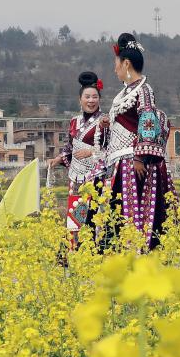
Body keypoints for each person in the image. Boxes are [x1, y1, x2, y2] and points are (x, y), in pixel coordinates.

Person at [91, 33, 173, 250]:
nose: (115, 70)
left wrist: (140, 157)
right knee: (116, 211)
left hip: (133, 162)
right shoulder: (124, 93)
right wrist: (107, 124)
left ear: (126, 63)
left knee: (133, 211)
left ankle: (136, 253)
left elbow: (148, 122)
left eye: (116, 64)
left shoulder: (144, 90)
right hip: (119, 162)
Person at [50, 71, 108, 247]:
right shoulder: (74, 121)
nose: (91, 100)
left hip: (96, 176)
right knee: (76, 216)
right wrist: (59, 158)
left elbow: (111, 148)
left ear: (99, 99)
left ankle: (95, 250)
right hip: (76, 177)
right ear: (80, 99)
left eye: (94, 97)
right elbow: (70, 147)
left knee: (94, 215)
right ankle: (76, 250)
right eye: (87, 97)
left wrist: (91, 152)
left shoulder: (105, 121)